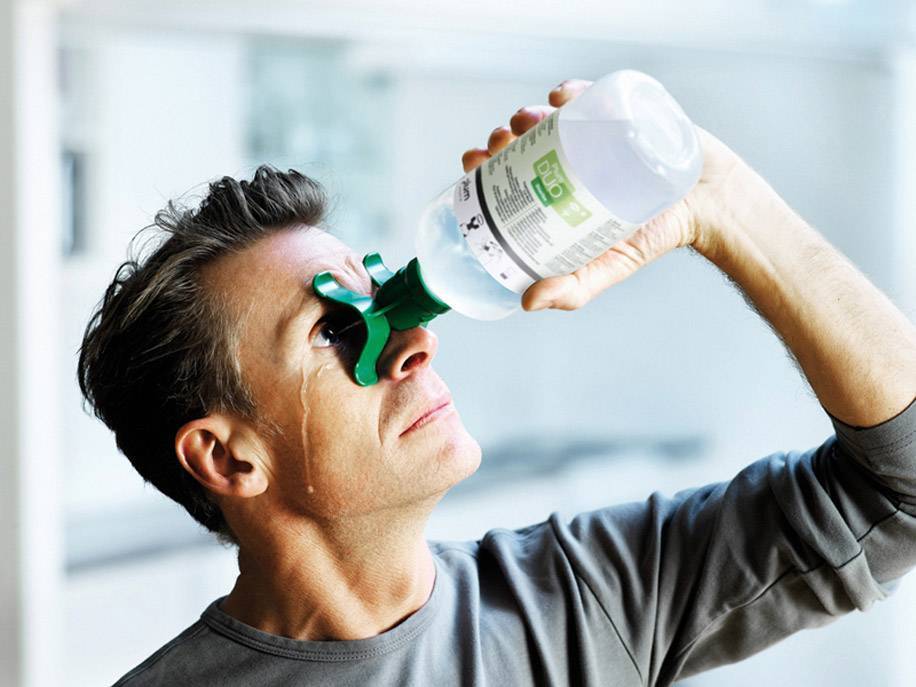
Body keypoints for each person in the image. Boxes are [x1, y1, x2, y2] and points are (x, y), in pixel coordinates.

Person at [79, 78, 916, 687]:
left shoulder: (579, 599)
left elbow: (900, 491)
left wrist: (720, 202)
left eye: (380, 294)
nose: (416, 343)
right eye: (335, 330)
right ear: (228, 458)